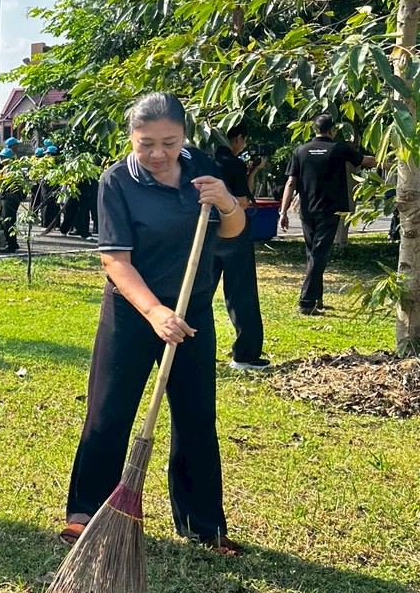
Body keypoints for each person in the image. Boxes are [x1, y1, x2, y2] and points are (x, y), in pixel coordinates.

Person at [64, 92, 247, 551]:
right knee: (108, 413)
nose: (158, 154)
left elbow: (233, 230)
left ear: (184, 134)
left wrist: (226, 202)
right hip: (132, 312)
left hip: (192, 311)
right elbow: (115, 261)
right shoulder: (116, 182)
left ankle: (204, 525)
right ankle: (87, 512)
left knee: (195, 417)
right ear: (131, 137)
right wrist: (155, 312)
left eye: (168, 141)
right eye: (146, 143)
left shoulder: (204, 166)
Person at [279, 112, 376, 314]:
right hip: (331, 210)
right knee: (318, 255)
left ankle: (317, 300)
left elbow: (290, 182)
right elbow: (366, 161)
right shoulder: (338, 148)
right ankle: (306, 303)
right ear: (332, 130)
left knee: (313, 254)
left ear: (315, 130)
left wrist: (283, 211)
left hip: (306, 211)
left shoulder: (300, 151)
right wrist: (394, 161)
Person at [209, 124, 269, 371]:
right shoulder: (234, 164)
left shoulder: (202, 161)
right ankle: (245, 355)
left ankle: (191, 349)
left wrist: (251, 172)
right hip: (233, 230)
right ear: (237, 139)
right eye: (243, 141)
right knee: (241, 291)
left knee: (198, 293)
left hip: (204, 231)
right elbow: (243, 201)